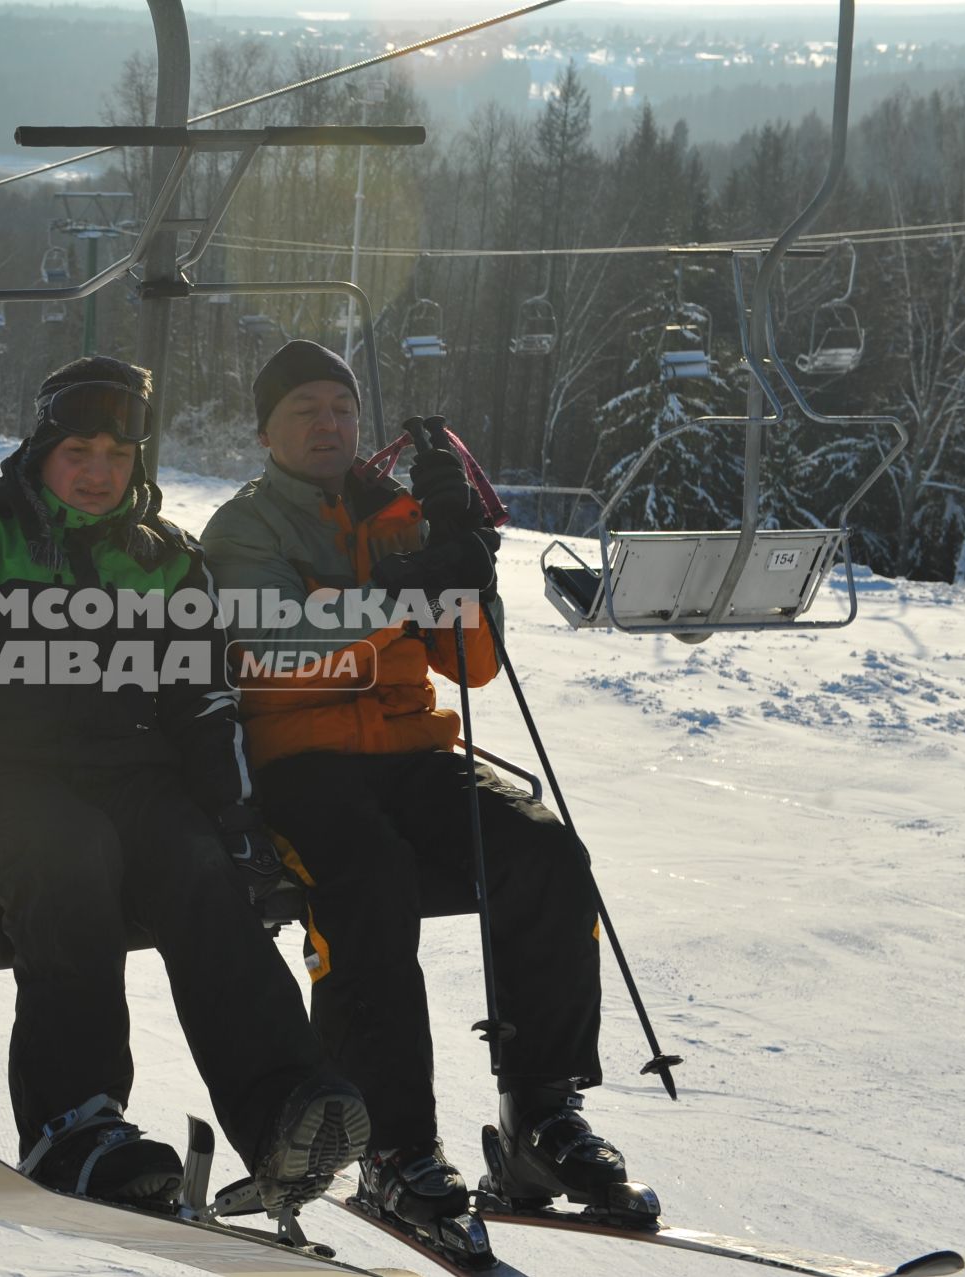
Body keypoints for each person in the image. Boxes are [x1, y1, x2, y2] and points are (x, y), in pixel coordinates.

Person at [0, 355, 368, 1210]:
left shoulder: (164, 560)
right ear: (43, 448)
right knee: (69, 856)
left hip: (132, 778)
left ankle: (283, 1112)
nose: (98, 474)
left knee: (200, 870)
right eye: (80, 451)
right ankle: (71, 1121)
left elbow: (205, 700)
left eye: (119, 458)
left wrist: (234, 818)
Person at [200, 341, 631, 1237]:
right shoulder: (244, 529)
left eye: (341, 409)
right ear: (267, 432)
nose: (329, 425)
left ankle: (539, 1115)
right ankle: (397, 1142)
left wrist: (467, 556)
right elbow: (275, 649)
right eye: (304, 412)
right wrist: (397, 592)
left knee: (544, 850)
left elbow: (474, 666)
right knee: (369, 875)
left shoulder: (398, 515)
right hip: (301, 760)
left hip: (411, 749)